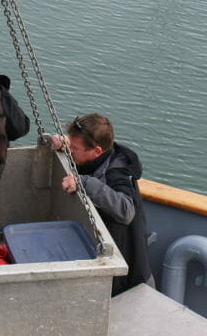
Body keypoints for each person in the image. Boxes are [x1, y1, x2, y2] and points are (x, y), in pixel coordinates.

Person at [50, 113, 153, 295]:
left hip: (127, 280)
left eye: (75, 148)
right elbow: (86, 160)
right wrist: (68, 146)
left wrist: (85, 183)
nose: (71, 151)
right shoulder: (98, 157)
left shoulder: (118, 173)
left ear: (97, 151)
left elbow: (126, 210)